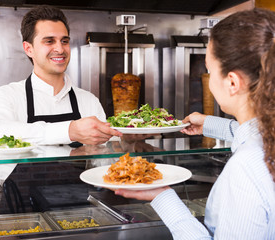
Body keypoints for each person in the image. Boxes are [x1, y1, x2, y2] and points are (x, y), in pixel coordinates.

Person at [115, 8, 275, 239]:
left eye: (209, 70)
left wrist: (163, 196)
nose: (208, 81)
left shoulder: (246, 168)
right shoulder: (266, 140)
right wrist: (210, 124)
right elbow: (254, 132)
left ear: (232, 82)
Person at [0, 5, 122, 146]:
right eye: (49, 41)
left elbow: (105, 155)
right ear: (28, 49)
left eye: (64, 41)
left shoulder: (88, 101)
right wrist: (69, 131)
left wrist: (129, 142)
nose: (60, 49)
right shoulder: (7, 95)